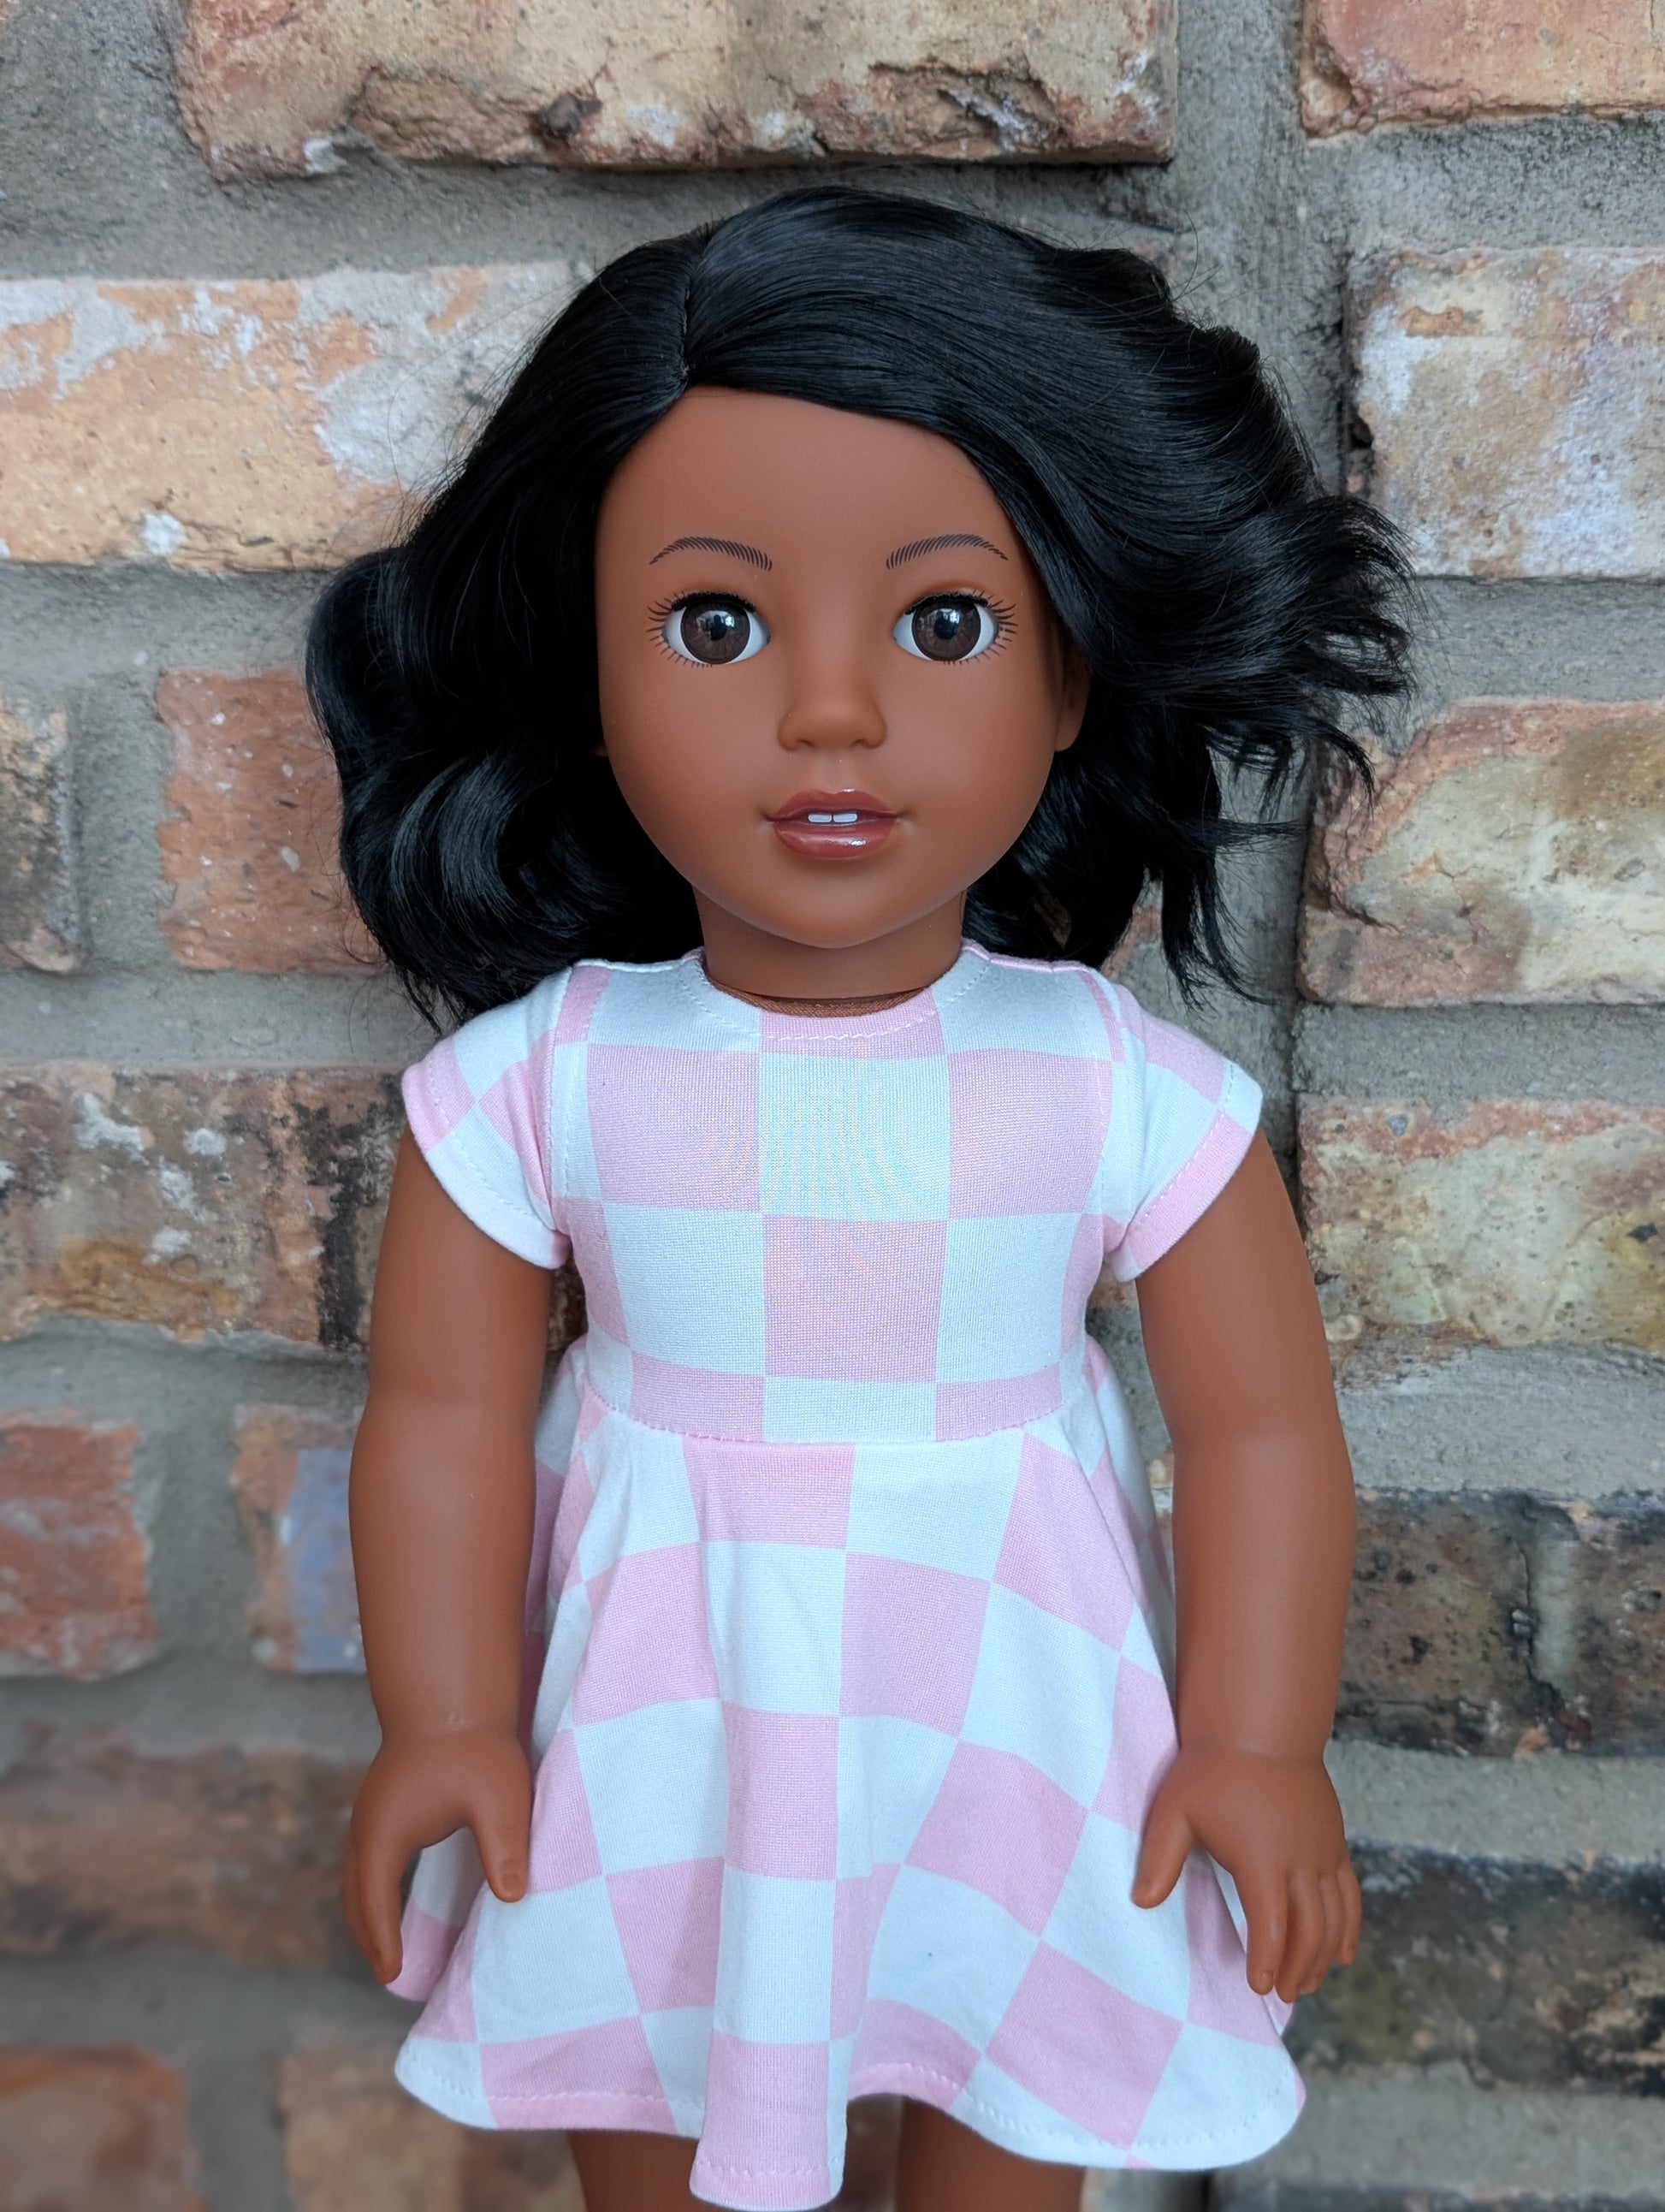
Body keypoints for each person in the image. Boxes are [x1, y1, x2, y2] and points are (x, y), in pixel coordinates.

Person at [307, 186, 1413, 2212]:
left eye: (944, 623)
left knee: (1005, 2080)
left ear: (1071, 679)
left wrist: (1254, 1740)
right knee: (656, 2078)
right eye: (714, 625)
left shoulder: (1113, 1088)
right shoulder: (546, 1080)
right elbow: (440, 1415)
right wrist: (445, 1716)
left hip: (1014, 1693)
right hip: (664, 1697)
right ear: (590, 673)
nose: (830, 713)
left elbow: (1261, 1433)